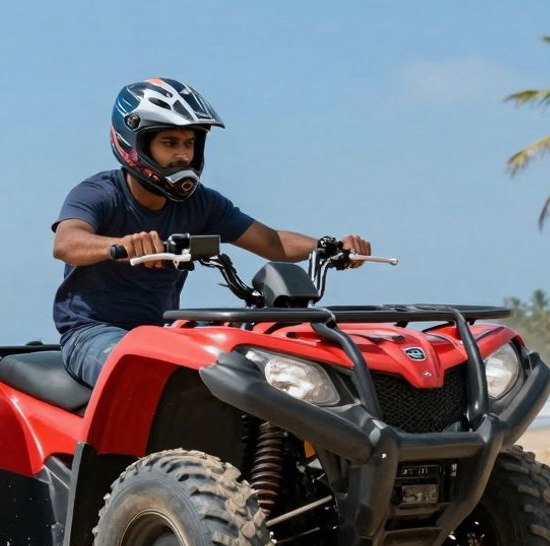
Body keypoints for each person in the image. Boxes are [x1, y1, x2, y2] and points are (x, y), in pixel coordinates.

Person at [51, 77, 371, 388]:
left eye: (189, 143)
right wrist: (121, 246)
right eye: (169, 143)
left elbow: (273, 242)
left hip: (161, 330)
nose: (183, 155)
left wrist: (330, 246)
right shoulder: (99, 193)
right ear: (134, 143)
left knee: (261, 353)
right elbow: (67, 242)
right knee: (143, 369)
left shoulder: (200, 202)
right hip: (93, 333)